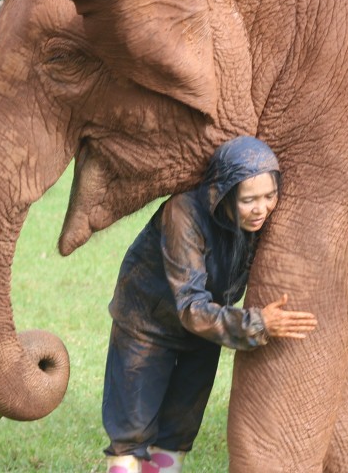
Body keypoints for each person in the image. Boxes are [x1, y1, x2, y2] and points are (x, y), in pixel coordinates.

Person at [103, 136, 317, 473]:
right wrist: (257, 323)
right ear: (224, 193)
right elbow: (189, 306)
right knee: (130, 436)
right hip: (147, 323)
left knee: (177, 434)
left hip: (206, 328)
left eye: (269, 196)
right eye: (249, 200)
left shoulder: (260, 220)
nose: (261, 208)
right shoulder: (183, 214)